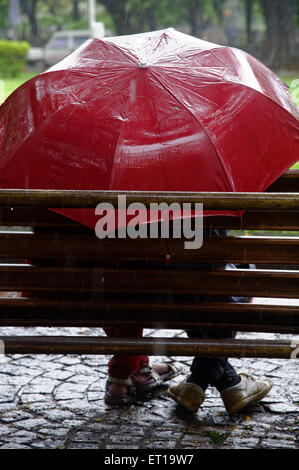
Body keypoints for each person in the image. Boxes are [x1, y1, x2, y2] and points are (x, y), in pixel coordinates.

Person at [166, 228, 273, 416]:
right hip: (203, 289)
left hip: (163, 295)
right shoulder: (208, 217)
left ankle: (199, 384)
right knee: (226, 283)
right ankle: (219, 384)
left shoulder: (152, 219)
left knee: (192, 288)